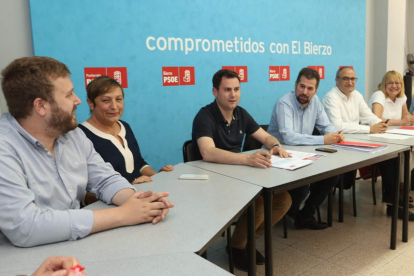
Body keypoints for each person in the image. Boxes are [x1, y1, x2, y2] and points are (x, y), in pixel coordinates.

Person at [0, 56, 173, 247]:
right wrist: (122, 214)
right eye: (68, 95)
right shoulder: (4, 147)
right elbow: (26, 227)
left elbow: (105, 179)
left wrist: (141, 202)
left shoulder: (72, 134)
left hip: (73, 246)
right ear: (41, 106)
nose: (77, 100)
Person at [192, 69, 292, 272]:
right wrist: (247, 159)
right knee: (258, 203)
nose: (233, 94)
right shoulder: (205, 116)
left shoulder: (241, 113)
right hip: (213, 180)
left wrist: (275, 145)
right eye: (227, 89)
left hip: (239, 175)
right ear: (215, 92)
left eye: (237, 89)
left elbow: (265, 137)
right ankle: (237, 248)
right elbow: (208, 152)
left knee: (283, 200)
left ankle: (244, 240)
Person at [323, 67, 411, 219]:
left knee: (391, 157)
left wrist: (380, 124)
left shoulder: (356, 95)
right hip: (338, 144)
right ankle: (394, 203)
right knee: (389, 158)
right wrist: (369, 129)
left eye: (353, 79)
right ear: (337, 80)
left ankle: (394, 203)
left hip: (356, 140)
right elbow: (338, 126)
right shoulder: (331, 97)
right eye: (345, 79)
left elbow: (368, 116)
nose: (350, 82)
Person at [268, 67, 344, 230]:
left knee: (332, 175)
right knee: (302, 186)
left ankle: (304, 216)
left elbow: (326, 125)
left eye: (310, 88)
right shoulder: (284, 103)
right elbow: (288, 137)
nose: (305, 92)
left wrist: (334, 134)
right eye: (302, 86)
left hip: (303, 155)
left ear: (315, 90)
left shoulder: (315, 102)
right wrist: (324, 139)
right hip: (280, 156)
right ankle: (289, 211)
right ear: (295, 85)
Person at [78, 76, 174, 185]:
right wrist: (129, 186)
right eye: (106, 100)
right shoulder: (80, 135)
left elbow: (139, 164)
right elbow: (84, 191)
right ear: (90, 103)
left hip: (139, 195)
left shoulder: (124, 126)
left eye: (118, 99)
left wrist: (157, 177)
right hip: (112, 201)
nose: (114, 106)